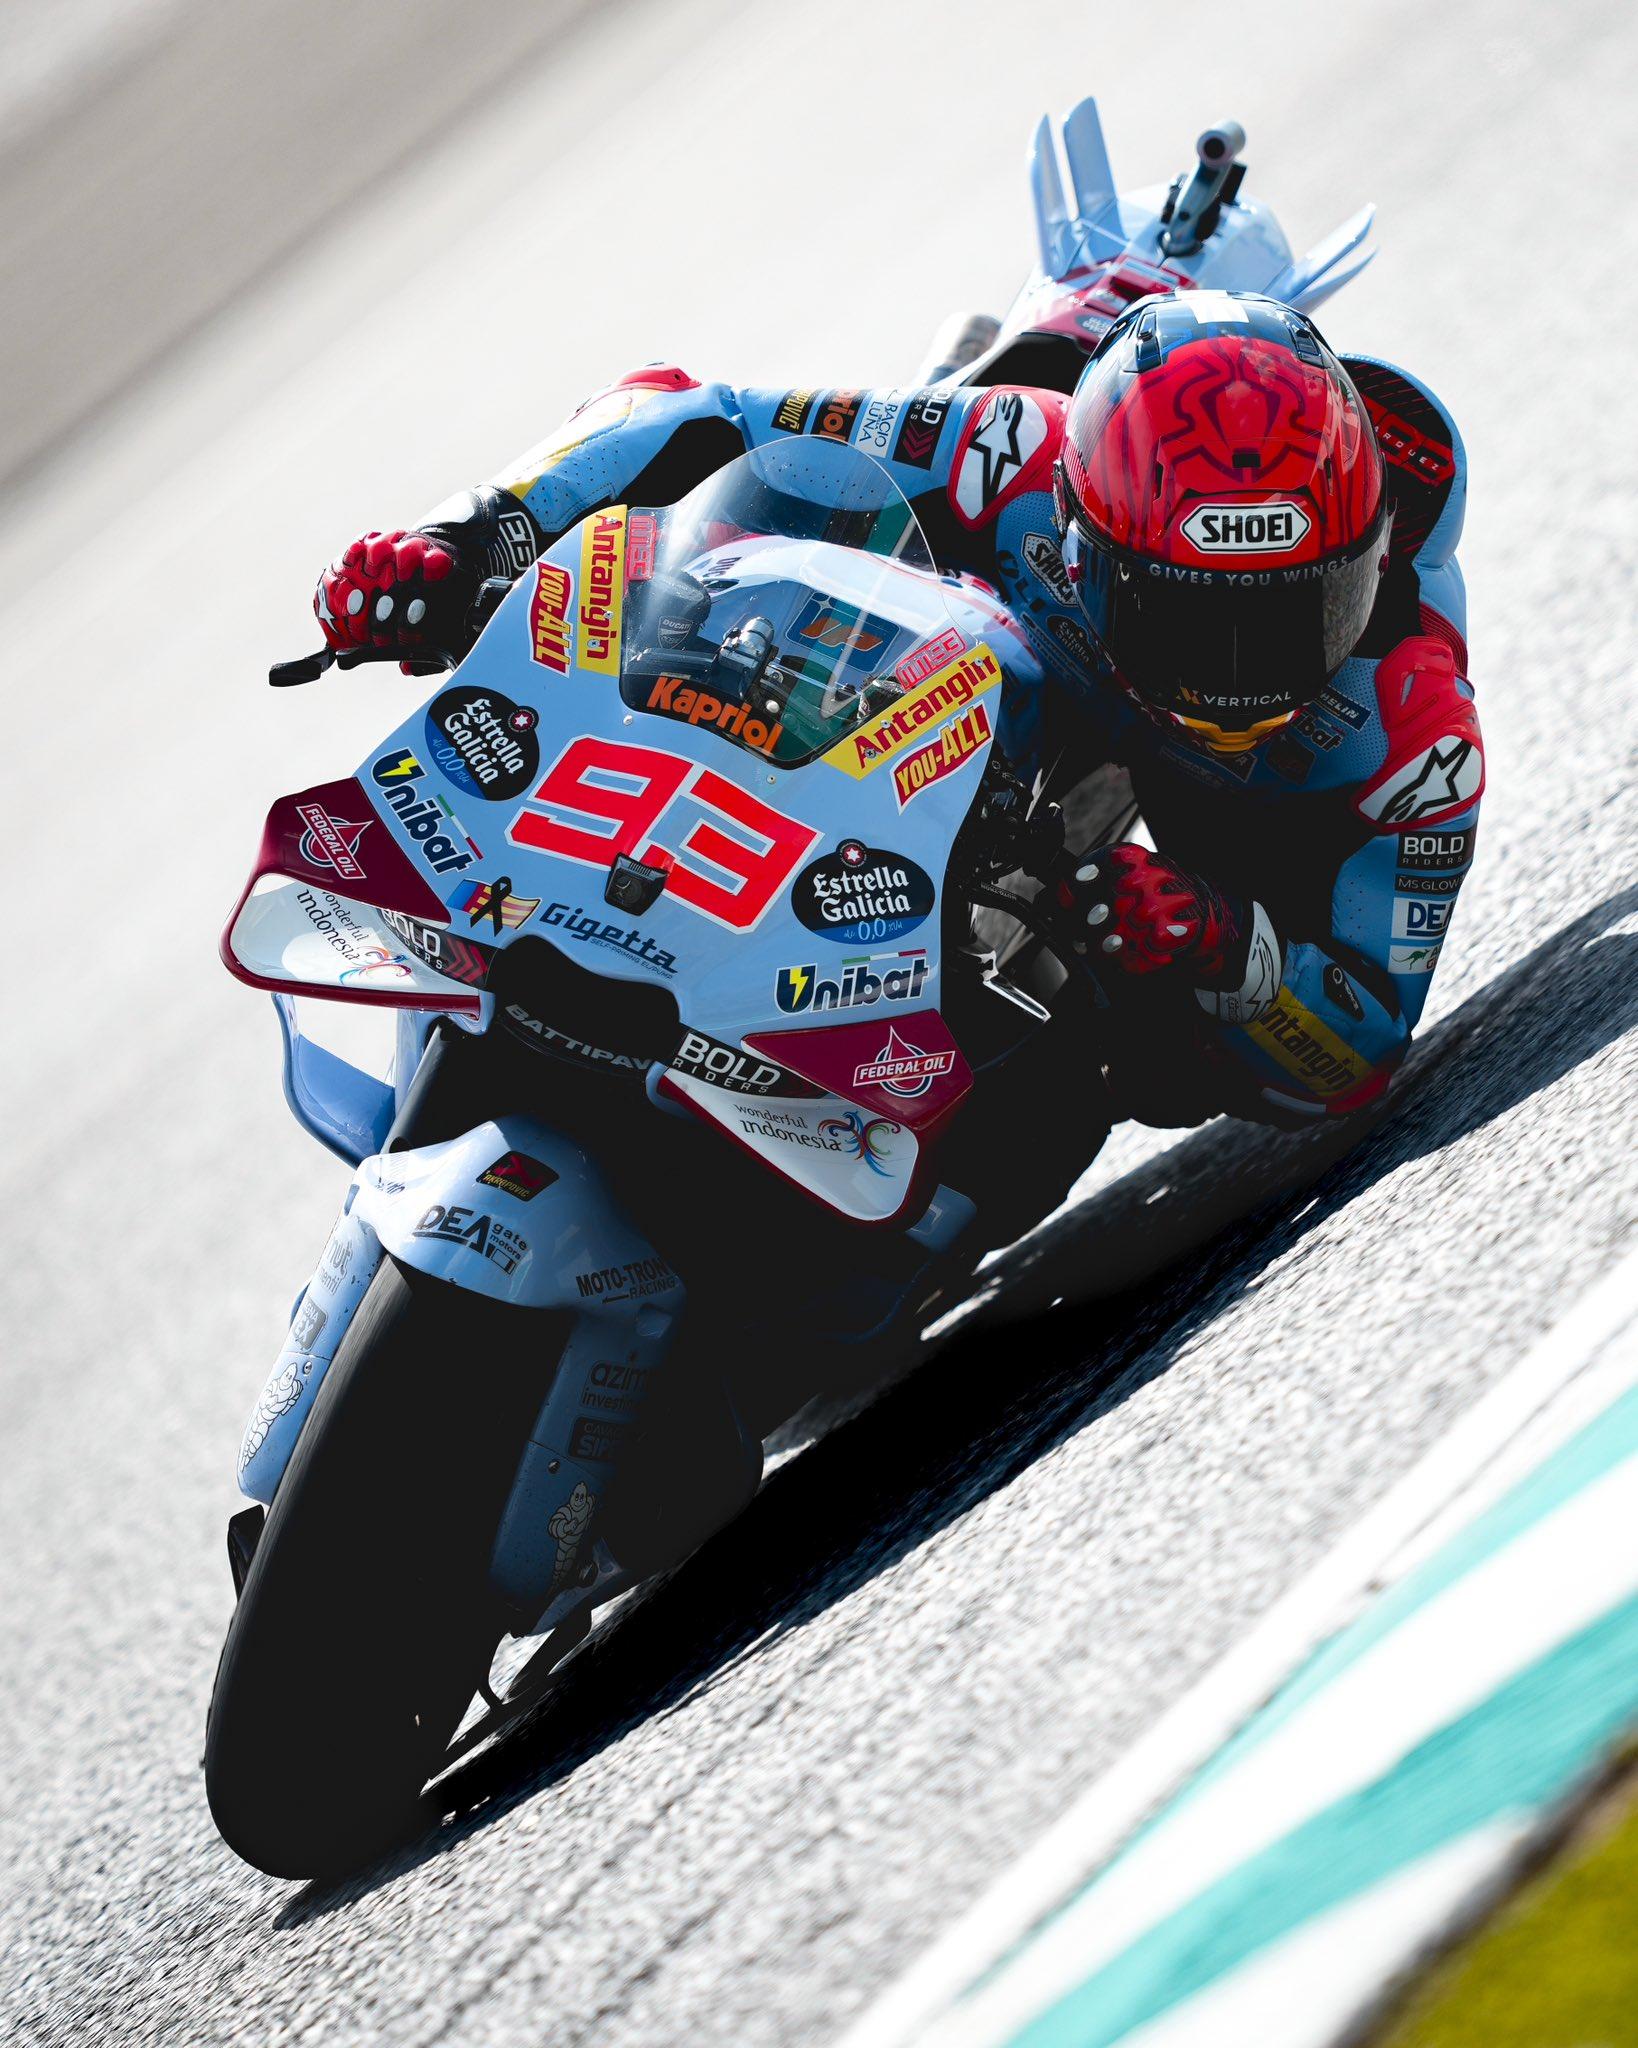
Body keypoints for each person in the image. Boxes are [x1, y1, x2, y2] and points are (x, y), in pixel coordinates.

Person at [313, 290, 1480, 1146]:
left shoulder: (1414, 733)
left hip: (1206, 847)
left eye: (1291, 614)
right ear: (1084, 533)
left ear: (1370, 561)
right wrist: (468, 534)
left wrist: (1223, 939)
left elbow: (1365, 1039)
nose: (1238, 675)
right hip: (958, 708)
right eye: (1191, 614)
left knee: (1142, 1066)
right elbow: (701, 417)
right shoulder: (1009, 453)